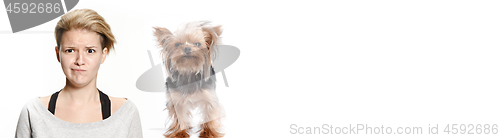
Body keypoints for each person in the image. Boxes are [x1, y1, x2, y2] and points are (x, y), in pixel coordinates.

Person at [15, 9, 142, 138]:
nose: (80, 61)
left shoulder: (125, 113)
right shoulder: (33, 112)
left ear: (103, 55)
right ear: (57, 53)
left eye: (90, 51)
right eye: (70, 50)